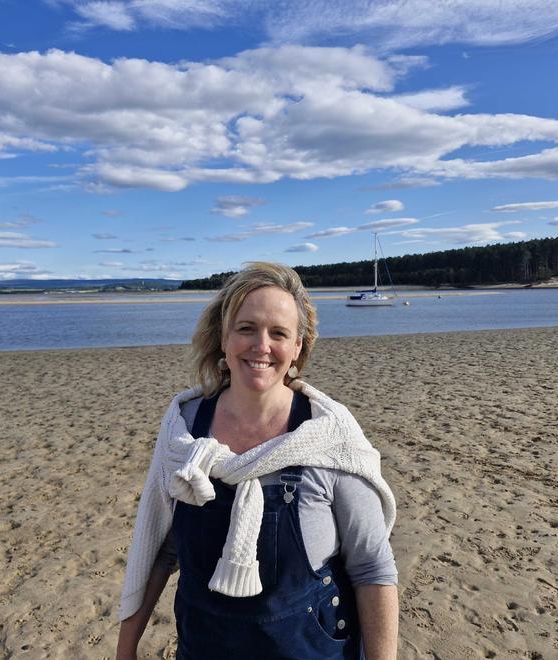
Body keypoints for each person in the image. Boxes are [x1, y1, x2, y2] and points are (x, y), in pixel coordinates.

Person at [116, 262, 398, 659]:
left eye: (278, 333)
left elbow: (371, 568)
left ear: (298, 347)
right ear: (224, 338)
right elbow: (161, 549)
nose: (261, 346)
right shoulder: (185, 429)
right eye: (246, 328)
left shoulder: (329, 436)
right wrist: (125, 650)